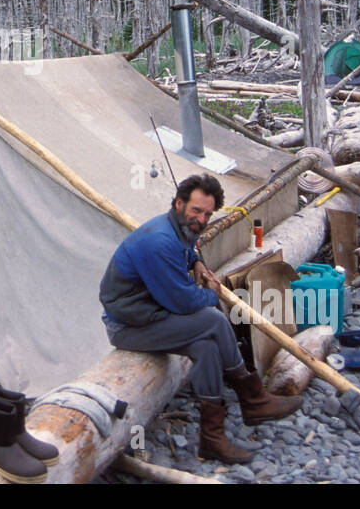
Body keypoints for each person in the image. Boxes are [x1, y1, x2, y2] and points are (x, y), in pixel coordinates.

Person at [98, 173, 301, 463]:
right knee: (213, 320)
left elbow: (189, 250)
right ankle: (252, 398)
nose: (202, 219)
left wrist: (196, 261)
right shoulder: (159, 241)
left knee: (205, 348)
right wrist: (213, 292)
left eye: (208, 214)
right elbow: (183, 303)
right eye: (196, 210)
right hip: (128, 326)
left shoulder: (177, 227)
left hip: (151, 315)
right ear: (179, 203)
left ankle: (212, 438)